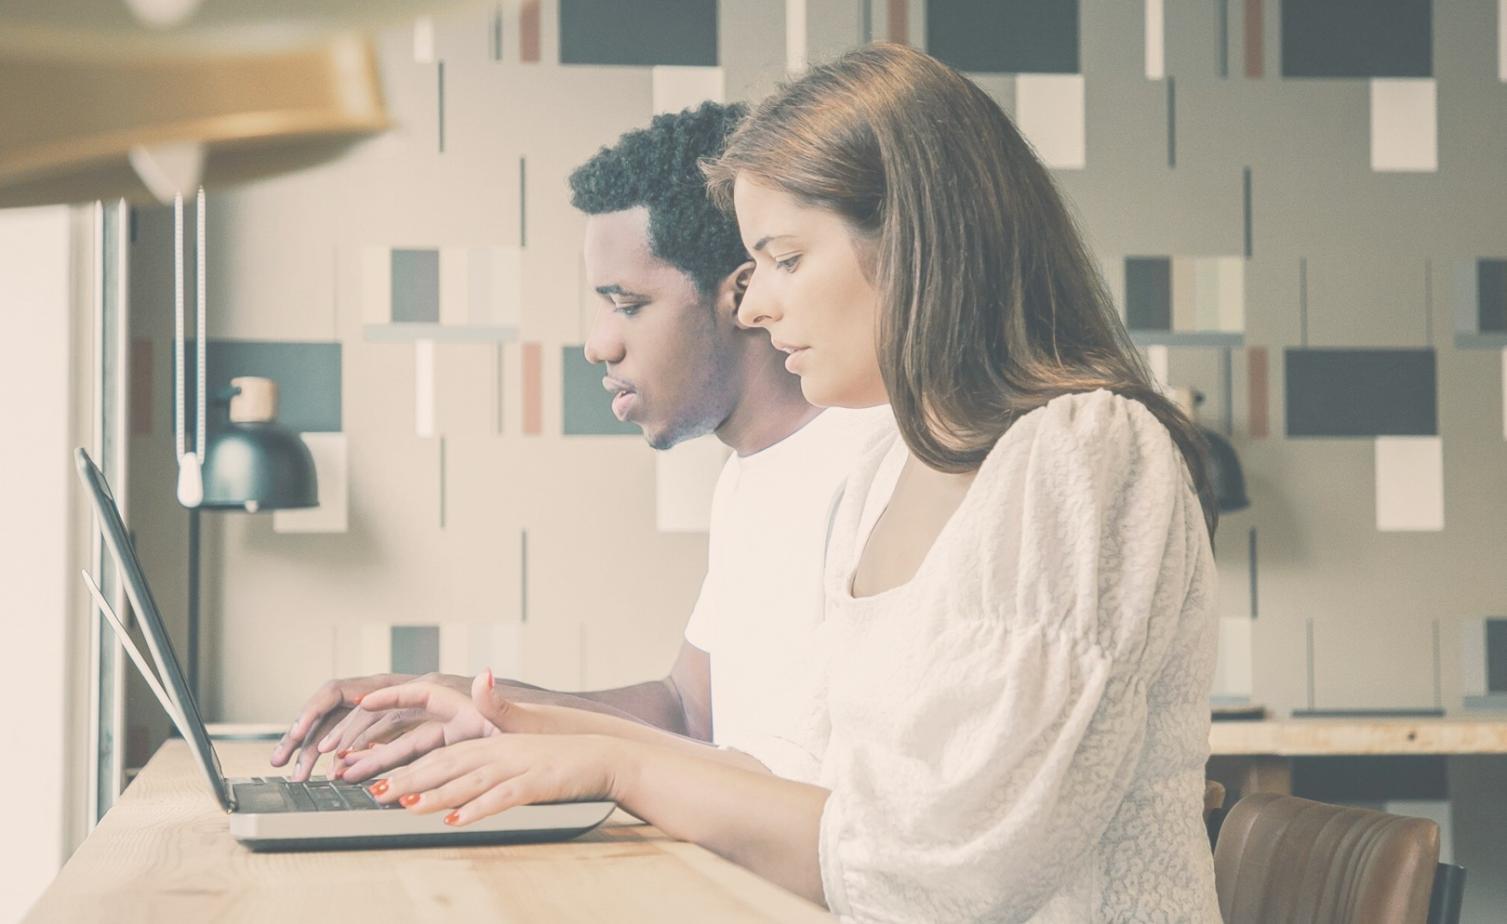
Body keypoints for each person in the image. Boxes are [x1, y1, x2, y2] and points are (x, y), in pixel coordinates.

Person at [350, 44, 1223, 922]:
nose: (756, 306)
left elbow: (952, 871)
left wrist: (619, 765)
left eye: (785, 259)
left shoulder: (1082, 451)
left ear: (914, 241)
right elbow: (803, 783)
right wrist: (528, 728)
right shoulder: (889, 472)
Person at [268, 102, 892, 784]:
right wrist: (470, 702)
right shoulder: (750, 473)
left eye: (628, 305)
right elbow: (689, 713)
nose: (598, 345)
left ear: (740, 294)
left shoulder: (877, 467)